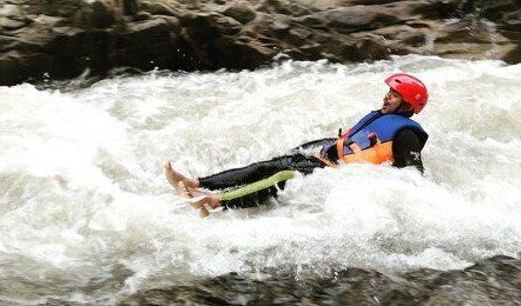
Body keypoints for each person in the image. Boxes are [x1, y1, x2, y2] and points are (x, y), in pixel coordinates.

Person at [165, 72, 430, 217]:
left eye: (394, 96)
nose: (386, 97)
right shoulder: (380, 118)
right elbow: (345, 142)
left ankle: (214, 202)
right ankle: (197, 183)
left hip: (342, 179)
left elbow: (413, 176)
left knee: (283, 175)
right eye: (388, 93)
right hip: (328, 163)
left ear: (407, 104)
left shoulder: (406, 134)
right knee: (271, 164)